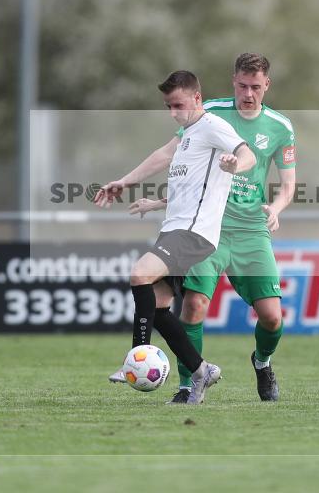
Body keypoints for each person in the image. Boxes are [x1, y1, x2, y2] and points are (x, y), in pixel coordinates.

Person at [113, 53, 296, 403]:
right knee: (193, 306)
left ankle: (262, 362)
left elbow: (288, 185)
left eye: (256, 87)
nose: (248, 93)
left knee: (272, 318)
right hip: (209, 228)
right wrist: (139, 188)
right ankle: (189, 385)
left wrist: (275, 207)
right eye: (242, 85)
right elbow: (174, 157)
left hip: (251, 230)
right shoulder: (208, 112)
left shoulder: (280, 127)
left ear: (267, 85)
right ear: (233, 81)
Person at [94, 70, 256, 405]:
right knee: (157, 307)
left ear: (197, 98)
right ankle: (201, 370)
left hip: (193, 233)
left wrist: (234, 165)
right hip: (175, 229)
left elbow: (248, 154)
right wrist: (126, 183)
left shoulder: (212, 126)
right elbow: (163, 158)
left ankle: (136, 357)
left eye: (178, 105)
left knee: (140, 273)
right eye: (168, 106)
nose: (173, 112)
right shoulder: (188, 134)